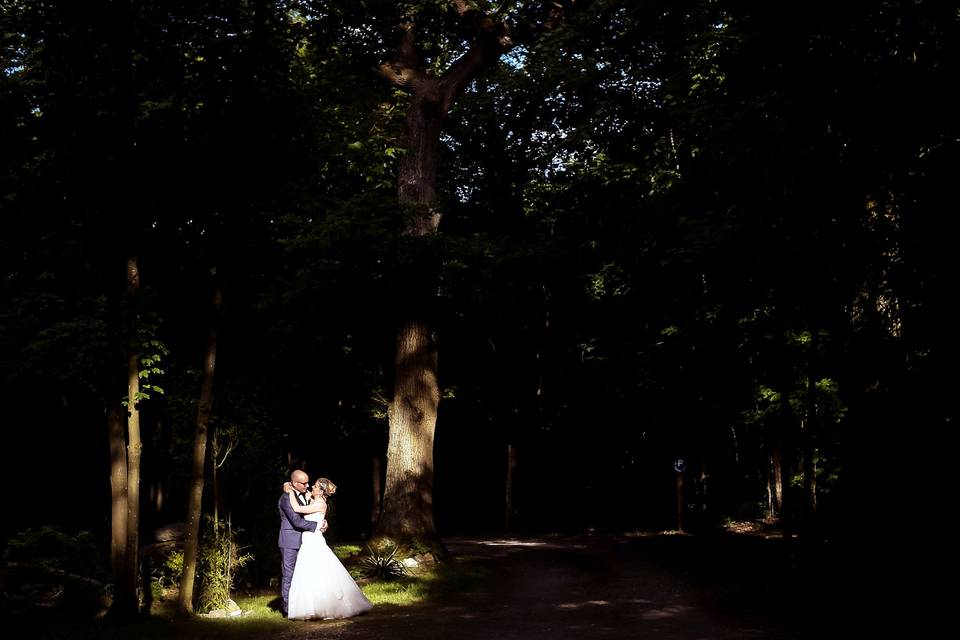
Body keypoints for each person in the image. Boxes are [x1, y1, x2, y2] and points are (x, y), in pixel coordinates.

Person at [286, 477, 373, 620]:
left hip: (313, 541)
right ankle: (313, 605)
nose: (311, 488)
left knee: (319, 570)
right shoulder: (316, 501)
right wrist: (308, 498)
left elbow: (297, 509)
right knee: (311, 571)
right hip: (309, 539)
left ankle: (327, 605)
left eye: (314, 486)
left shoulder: (320, 503)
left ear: (320, 491)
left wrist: (290, 493)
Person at [278, 469, 325, 617]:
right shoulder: (286, 498)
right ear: (294, 483)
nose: (307, 485)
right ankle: (288, 609)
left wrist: (322, 521)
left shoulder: (306, 495)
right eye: (303, 483)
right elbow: (296, 521)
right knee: (289, 575)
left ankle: (302, 606)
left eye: (307, 482)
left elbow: (315, 511)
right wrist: (317, 526)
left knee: (303, 575)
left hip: (306, 542)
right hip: (290, 541)